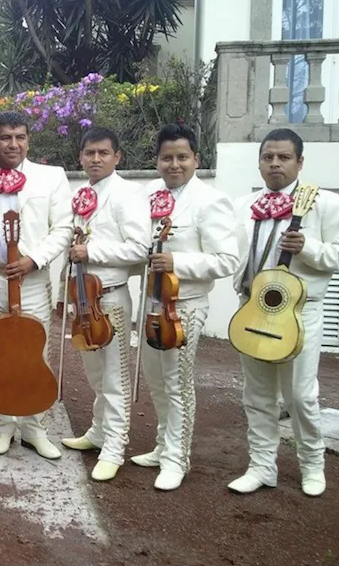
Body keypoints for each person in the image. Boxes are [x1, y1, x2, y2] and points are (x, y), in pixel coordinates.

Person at [227, 128, 339, 497]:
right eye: (268, 157)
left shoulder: (325, 203)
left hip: (300, 314)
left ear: (300, 162)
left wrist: (308, 248)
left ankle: (312, 463)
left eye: (283, 157)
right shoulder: (243, 207)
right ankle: (262, 466)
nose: (275, 163)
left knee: (300, 396)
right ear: (260, 162)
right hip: (253, 310)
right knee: (257, 394)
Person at [130, 124, 240, 491]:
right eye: (166, 158)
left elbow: (226, 260)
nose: (173, 165)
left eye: (181, 157)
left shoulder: (210, 200)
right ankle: (163, 446)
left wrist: (177, 261)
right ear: (157, 161)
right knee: (156, 381)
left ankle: (178, 457)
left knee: (178, 384)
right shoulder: (149, 194)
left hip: (186, 304)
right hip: (151, 301)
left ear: (196, 159)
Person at [0, 111, 73, 460]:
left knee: (35, 353)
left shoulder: (50, 177)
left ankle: (33, 426)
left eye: (20, 137)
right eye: (5, 137)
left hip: (31, 278)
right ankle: (2, 424)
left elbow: (63, 227)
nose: (13, 144)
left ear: (28, 140)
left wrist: (35, 259)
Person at [59, 127, 151, 482]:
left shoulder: (129, 193)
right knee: (95, 374)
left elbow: (139, 248)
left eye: (103, 153)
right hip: (83, 297)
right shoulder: (82, 195)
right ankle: (98, 432)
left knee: (114, 376)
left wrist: (90, 251)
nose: (95, 159)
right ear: (81, 157)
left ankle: (115, 445)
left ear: (117, 156)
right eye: (89, 153)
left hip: (110, 296)